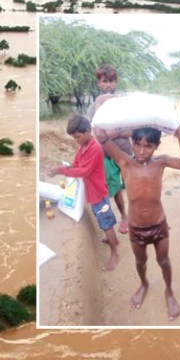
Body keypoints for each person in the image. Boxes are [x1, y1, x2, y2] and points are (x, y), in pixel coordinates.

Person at [95, 118, 180, 321]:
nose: (141, 151)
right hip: (136, 228)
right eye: (137, 144)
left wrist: (178, 132)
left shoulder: (161, 162)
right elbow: (100, 134)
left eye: (148, 146)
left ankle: (169, 292)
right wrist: (128, 130)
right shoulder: (125, 162)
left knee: (164, 261)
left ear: (157, 146)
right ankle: (144, 283)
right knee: (140, 262)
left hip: (159, 225)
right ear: (132, 143)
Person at [48, 114, 120, 271]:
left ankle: (115, 254)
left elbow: (84, 171)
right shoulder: (83, 147)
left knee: (106, 223)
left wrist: (61, 170)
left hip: (98, 192)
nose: (76, 140)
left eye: (78, 137)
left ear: (88, 131)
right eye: (74, 138)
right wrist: (67, 168)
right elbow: (76, 164)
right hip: (92, 192)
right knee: (103, 219)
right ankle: (112, 240)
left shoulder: (95, 148)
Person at [87, 64, 130, 234]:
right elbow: (97, 133)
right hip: (106, 154)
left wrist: (109, 135)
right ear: (98, 83)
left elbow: (130, 130)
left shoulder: (123, 103)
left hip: (126, 152)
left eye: (111, 81)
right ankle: (124, 217)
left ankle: (135, 217)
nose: (108, 85)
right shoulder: (93, 106)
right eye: (104, 82)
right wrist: (99, 104)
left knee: (132, 185)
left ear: (116, 82)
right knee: (116, 188)